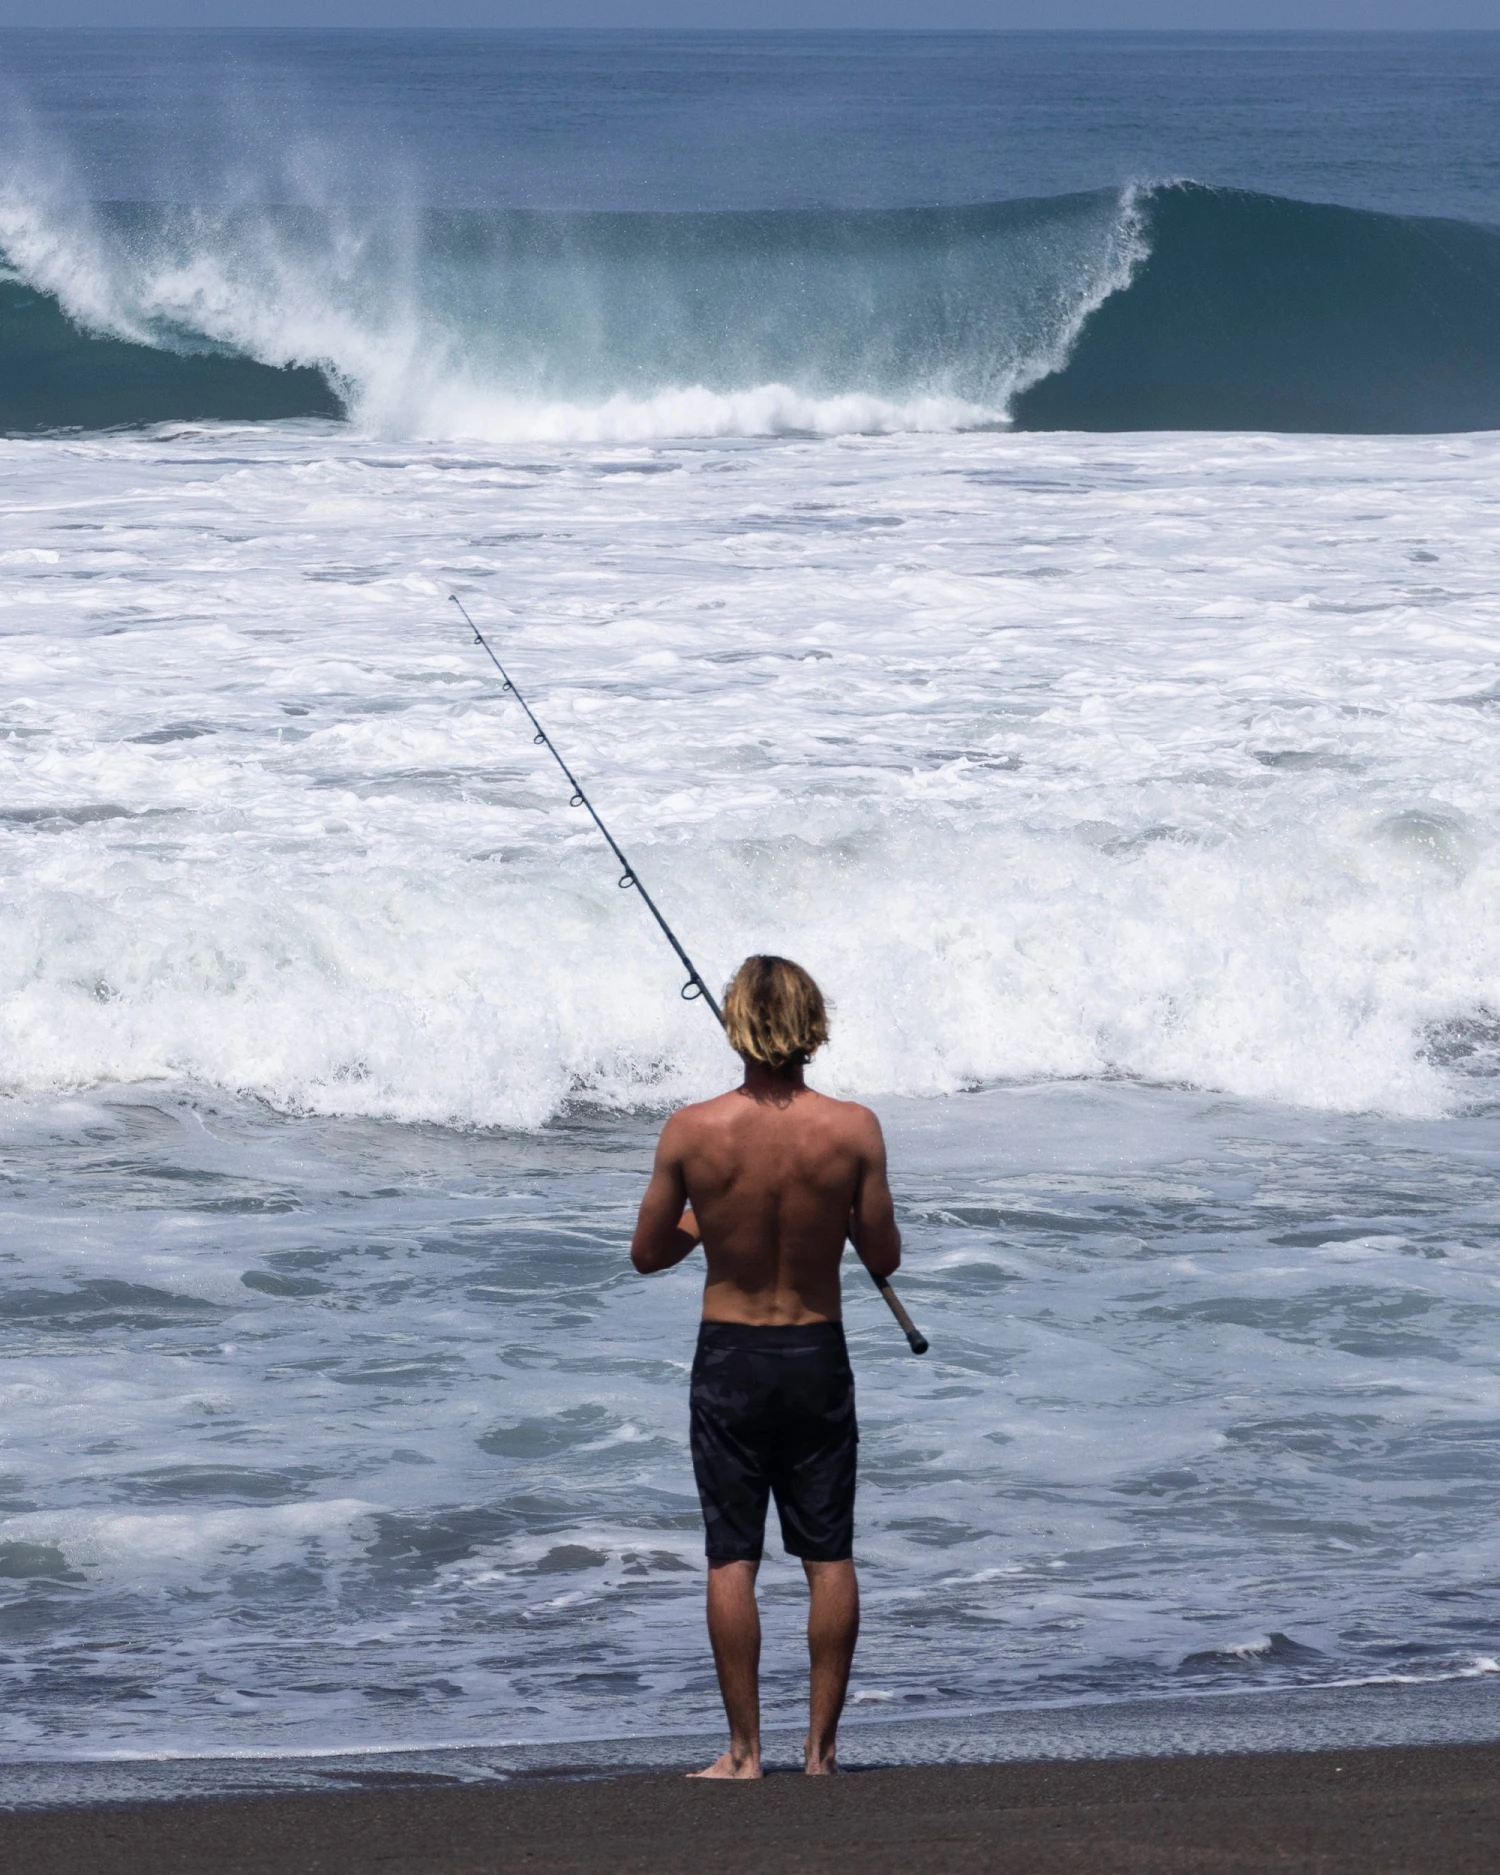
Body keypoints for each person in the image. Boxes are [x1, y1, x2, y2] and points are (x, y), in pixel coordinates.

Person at [630, 955, 901, 1779]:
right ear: (813, 1023)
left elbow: (648, 1253)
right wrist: (835, 1212)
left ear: (736, 1024)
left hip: (731, 1358)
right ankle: (821, 1753)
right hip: (816, 1354)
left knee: (731, 1555)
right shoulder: (854, 1129)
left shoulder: (692, 1130)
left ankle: (745, 1753)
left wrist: (710, 1218)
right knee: (829, 1554)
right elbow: (884, 1254)